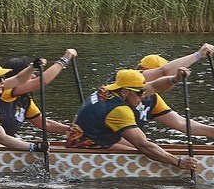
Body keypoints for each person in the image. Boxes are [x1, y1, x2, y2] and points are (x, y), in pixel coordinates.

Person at [71, 66, 199, 171]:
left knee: (151, 148)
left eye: (143, 91)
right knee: (143, 150)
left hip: (80, 136)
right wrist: (178, 162)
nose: (143, 96)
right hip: (86, 148)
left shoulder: (108, 88)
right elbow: (143, 145)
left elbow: (154, 86)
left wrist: (175, 79)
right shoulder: (119, 110)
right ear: (125, 91)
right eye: (139, 93)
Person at [130, 49, 214, 142]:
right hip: (116, 140)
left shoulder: (153, 100)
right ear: (144, 70)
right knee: (142, 142)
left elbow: (181, 123)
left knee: (143, 143)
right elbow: (164, 71)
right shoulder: (124, 80)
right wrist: (198, 55)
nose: (166, 79)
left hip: (128, 141)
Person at [0, 50, 78, 141]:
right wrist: (65, 59)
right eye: (30, 73)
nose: (34, 76)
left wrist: (72, 130)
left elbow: (46, 124)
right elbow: (41, 82)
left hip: (3, 142)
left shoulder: (25, 100)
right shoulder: (3, 91)